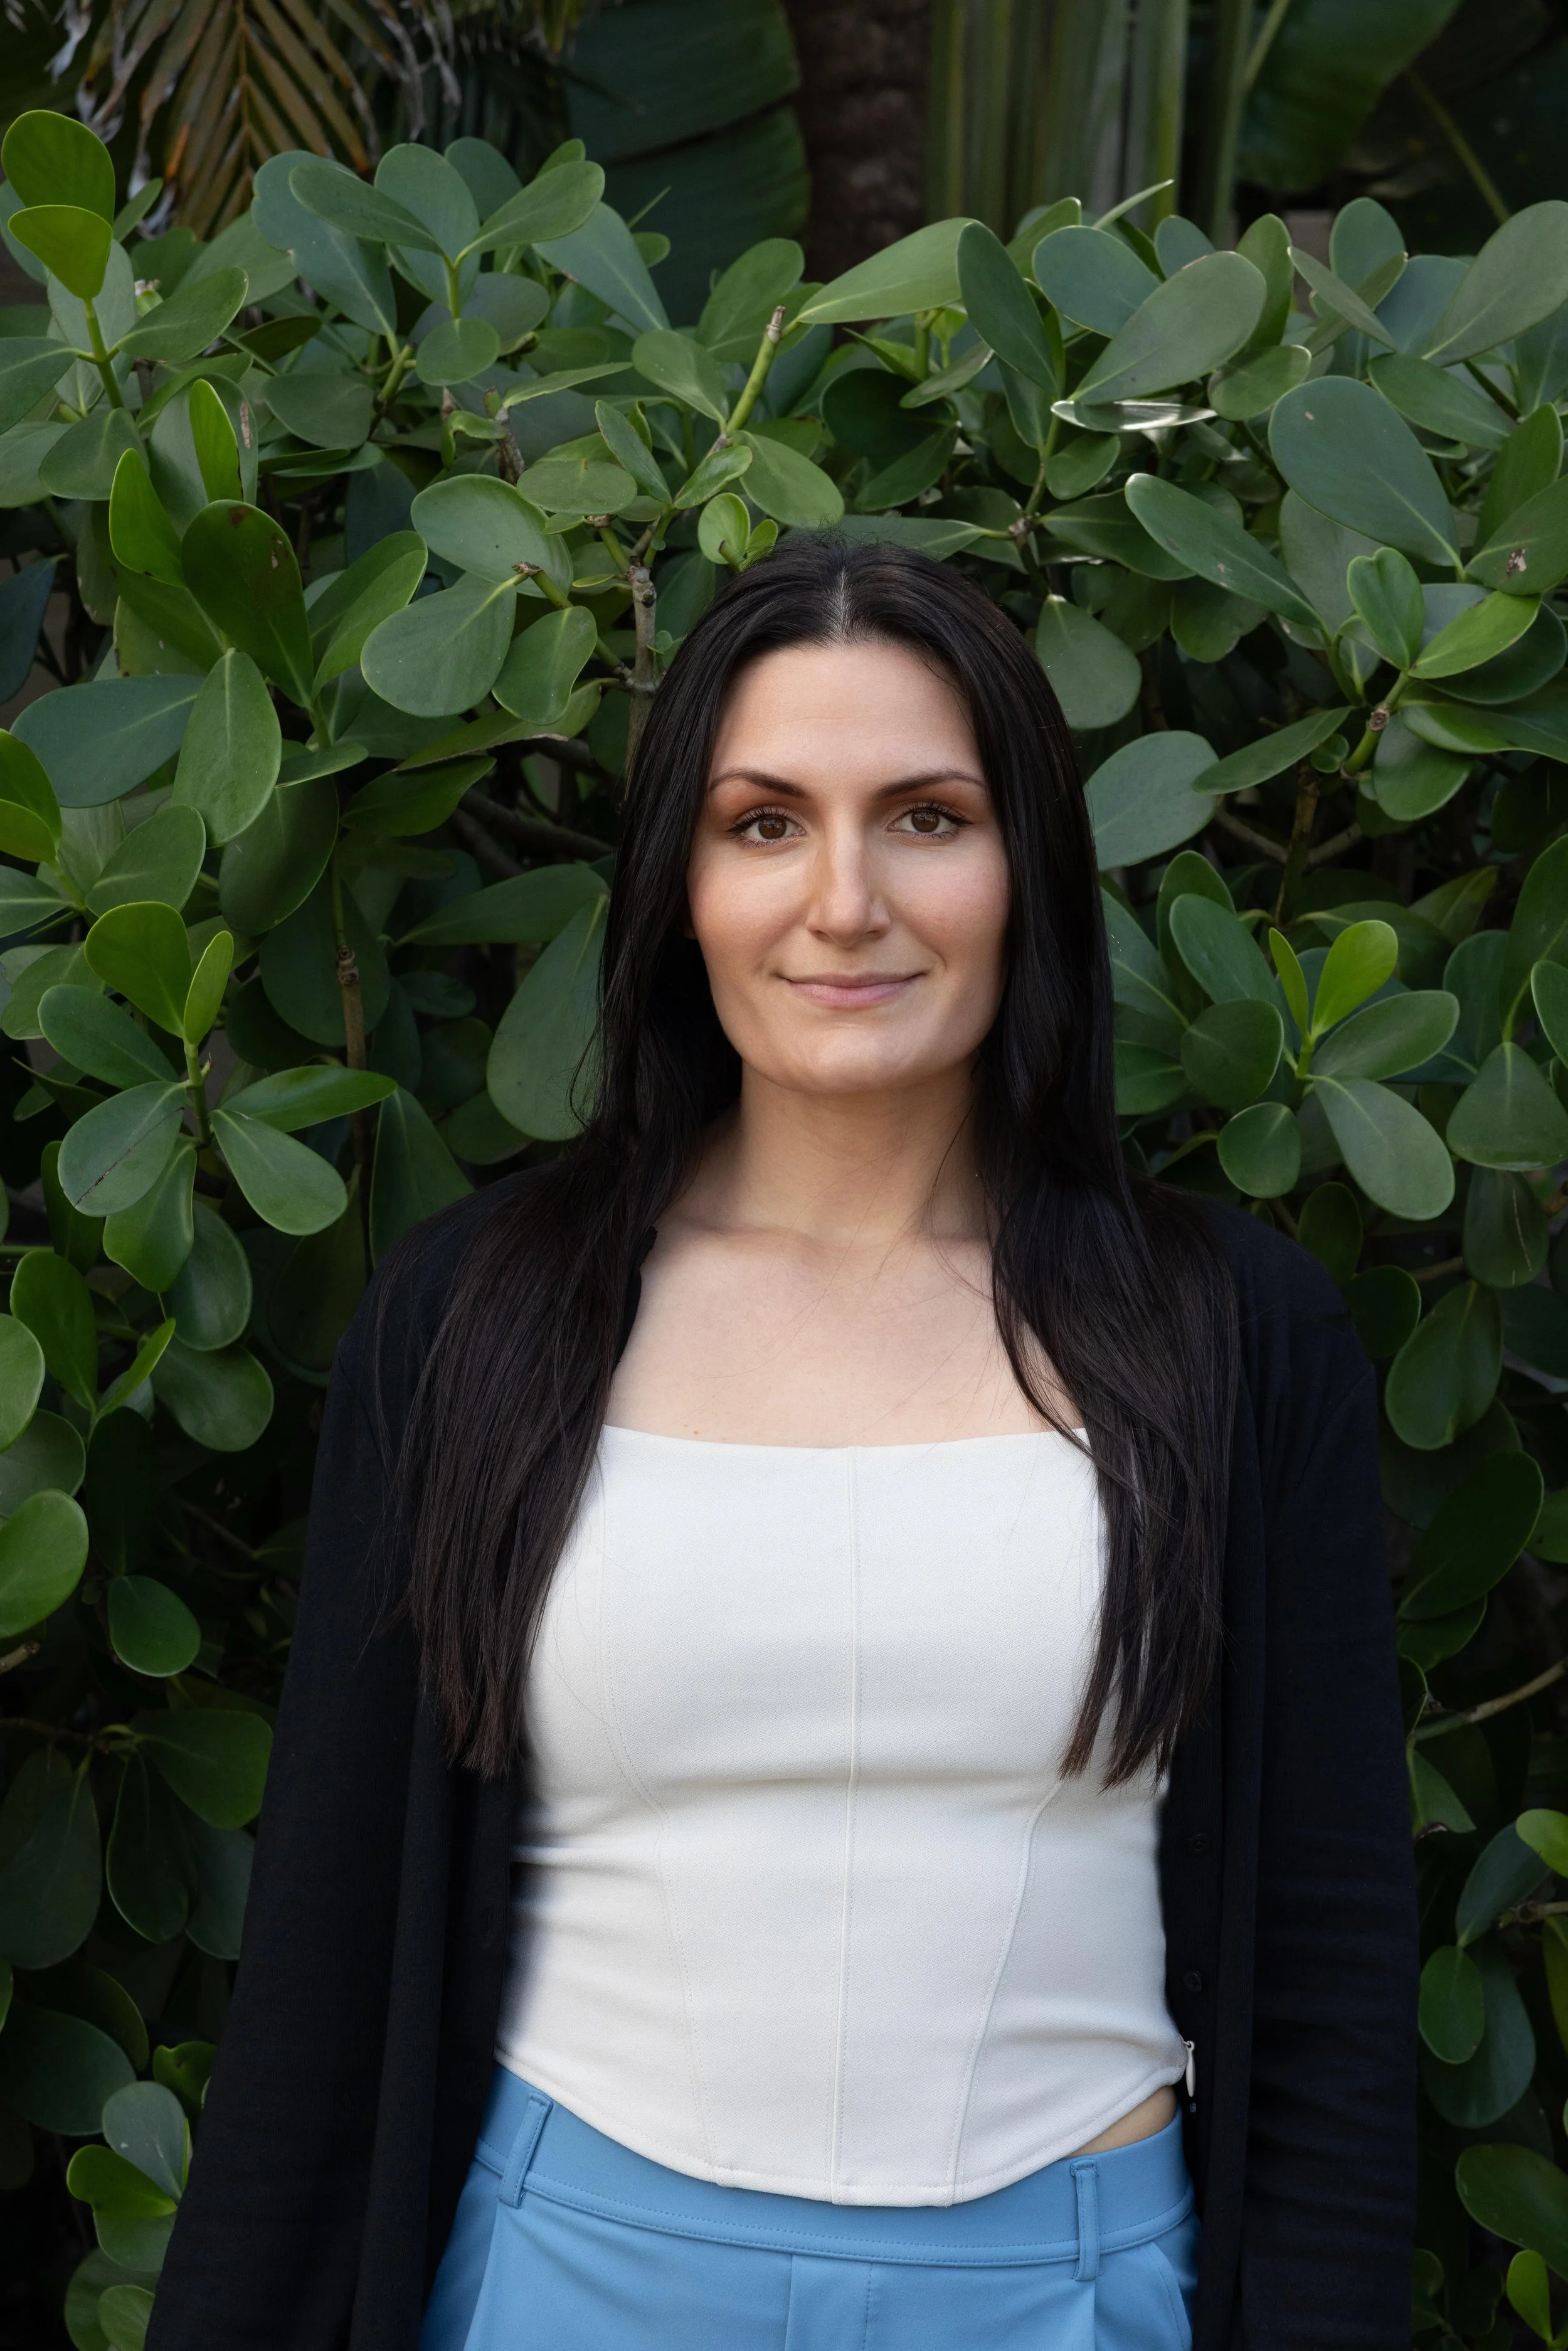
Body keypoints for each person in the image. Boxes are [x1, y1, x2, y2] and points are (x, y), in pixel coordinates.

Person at [146, 538, 1415, 2351]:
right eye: (762, 822)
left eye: (922, 816)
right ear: (677, 880)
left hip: (1073, 2286)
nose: (842, 901)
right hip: (560, 2275)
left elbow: (1331, 1983)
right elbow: (325, 1960)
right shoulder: (476, 1322)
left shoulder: (1233, 1336)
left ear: (1026, 867)